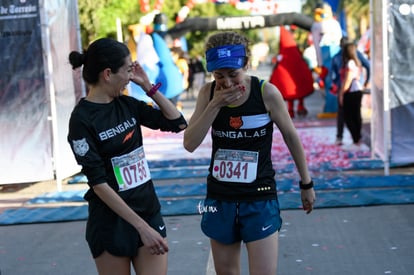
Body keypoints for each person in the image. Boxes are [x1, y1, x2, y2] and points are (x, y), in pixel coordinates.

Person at [183, 31, 316, 275]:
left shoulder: (267, 93)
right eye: (219, 76)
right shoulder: (208, 94)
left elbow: (290, 136)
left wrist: (306, 183)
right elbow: (190, 143)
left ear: (246, 64)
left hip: (259, 197)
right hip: (220, 198)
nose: (227, 83)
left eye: (233, 74)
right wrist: (215, 105)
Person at [67, 38, 187, 275]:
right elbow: (98, 184)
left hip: (147, 210)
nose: (130, 77)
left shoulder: (127, 104)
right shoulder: (81, 120)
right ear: (108, 74)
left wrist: (148, 87)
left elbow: (178, 123)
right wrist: (141, 227)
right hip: (111, 222)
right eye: (128, 71)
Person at [330, 36, 370, 146]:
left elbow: (344, 78)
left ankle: (352, 137)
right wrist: (365, 82)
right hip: (355, 89)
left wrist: (341, 91)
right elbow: (367, 66)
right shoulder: (354, 57)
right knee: (354, 114)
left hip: (347, 89)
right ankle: (356, 137)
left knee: (346, 115)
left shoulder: (347, 60)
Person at [338, 41, 365, 150]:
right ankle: (357, 139)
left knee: (349, 117)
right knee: (356, 116)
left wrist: (341, 93)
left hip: (351, 92)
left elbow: (348, 79)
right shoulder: (357, 62)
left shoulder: (350, 63)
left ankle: (356, 140)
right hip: (358, 90)